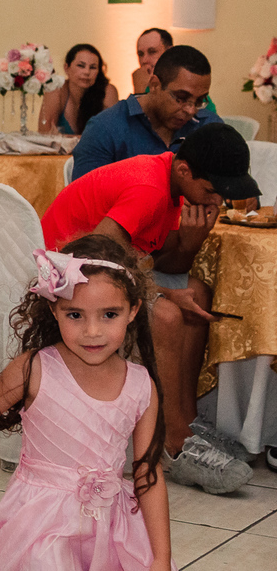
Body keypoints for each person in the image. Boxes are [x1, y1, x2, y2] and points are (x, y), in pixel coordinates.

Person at [0, 236, 176, 571]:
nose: (92, 331)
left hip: (111, 530)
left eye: (109, 314)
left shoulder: (140, 385)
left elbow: (147, 471)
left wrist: (161, 558)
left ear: (133, 310)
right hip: (38, 526)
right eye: (75, 315)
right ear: (54, 308)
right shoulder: (34, 369)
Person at [41, 123, 262, 494]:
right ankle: (174, 445)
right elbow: (95, 261)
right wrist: (163, 295)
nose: (215, 203)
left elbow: (158, 259)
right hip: (62, 274)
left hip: (90, 270)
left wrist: (191, 243)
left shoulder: (171, 184)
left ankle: (185, 421)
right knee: (166, 315)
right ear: (184, 171)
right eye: (210, 191)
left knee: (191, 302)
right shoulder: (148, 188)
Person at [72, 45, 222, 180]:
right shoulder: (105, 128)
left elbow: (233, 188)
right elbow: (85, 201)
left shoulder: (208, 127)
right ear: (155, 85)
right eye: (181, 98)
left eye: (199, 101)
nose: (191, 110)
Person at [38, 43, 120, 134]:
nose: (87, 72)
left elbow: (112, 137)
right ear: (66, 68)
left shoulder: (108, 91)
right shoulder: (57, 89)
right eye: (81, 66)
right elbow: (44, 134)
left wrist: (64, 138)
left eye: (93, 67)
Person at [131, 28, 173, 96]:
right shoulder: (142, 82)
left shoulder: (179, 85)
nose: (144, 60)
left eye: (152, 52)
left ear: (169, 52)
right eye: (140, 54)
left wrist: (140, 92)